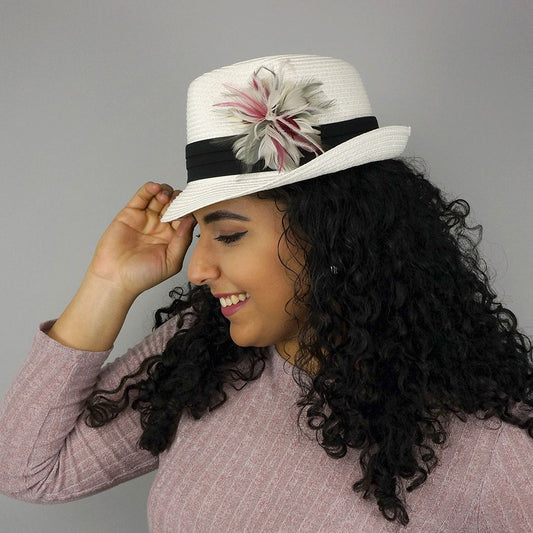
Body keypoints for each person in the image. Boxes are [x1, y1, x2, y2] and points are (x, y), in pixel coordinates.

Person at [0, 55, 532, 532]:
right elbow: (28, 473)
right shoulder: (202, 358)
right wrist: (108, 283)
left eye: (228, 235)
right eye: (199, 235)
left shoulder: (494, 451)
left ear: (337, 236)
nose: (198, 269)